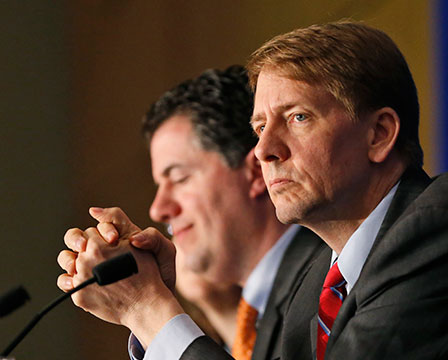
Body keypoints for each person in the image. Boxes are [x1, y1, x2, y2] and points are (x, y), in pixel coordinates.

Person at [58, 22, 448, 360]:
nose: (263, 150)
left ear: (379, 134)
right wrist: (161, 298)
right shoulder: (316, 274)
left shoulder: (442, 234)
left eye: (297, 118)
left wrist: (148, 310)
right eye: (260, 126)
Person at [57, 66, 324, 360]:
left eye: (180, 178)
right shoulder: (261, 313)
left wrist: (145, 307)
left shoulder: (329, 288)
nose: (159, 209)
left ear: (255, 174)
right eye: (160, 185)